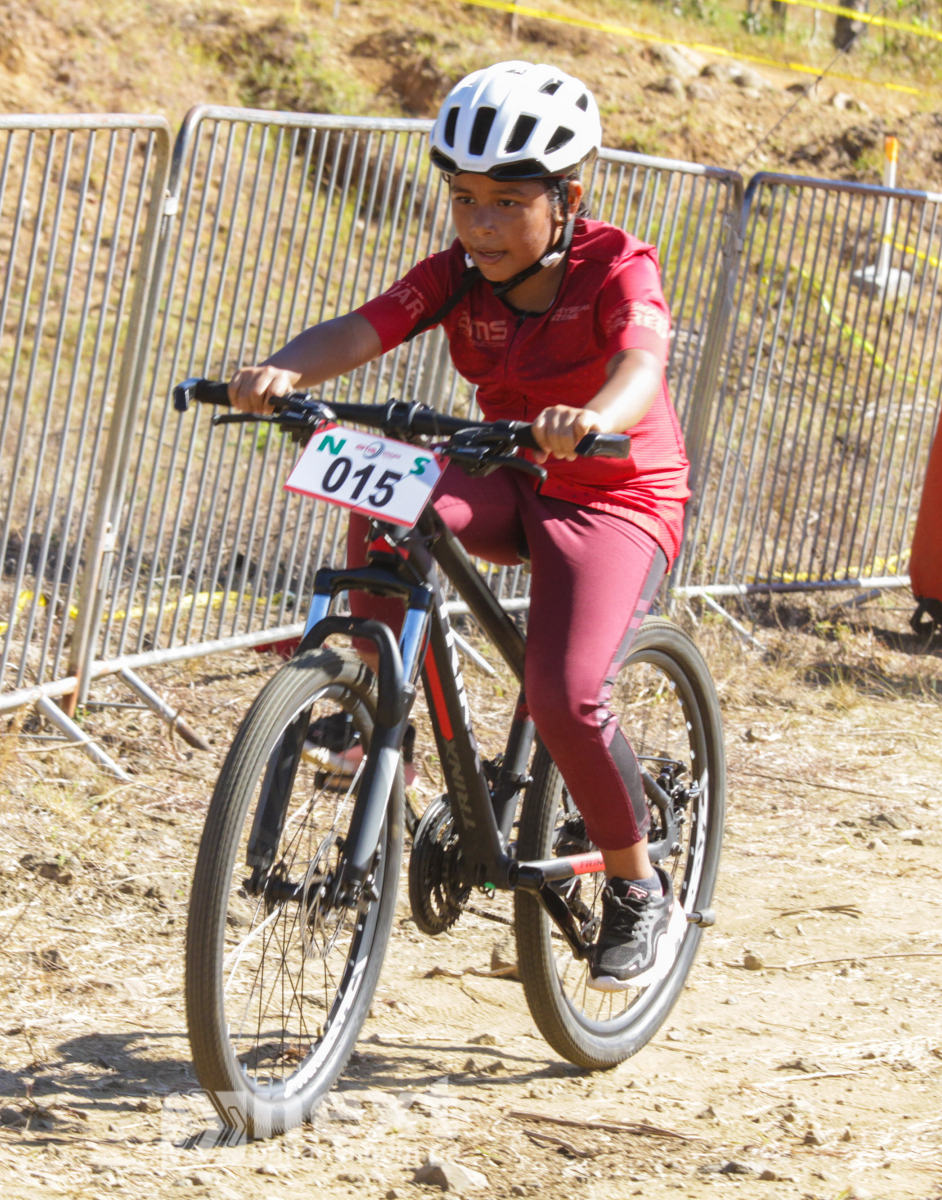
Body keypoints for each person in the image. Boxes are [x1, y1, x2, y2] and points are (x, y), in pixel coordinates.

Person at [226, 62, 690, 992]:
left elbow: (642, 362)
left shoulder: (617, 266)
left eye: (508, 203)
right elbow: (363, 327)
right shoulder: (455, 276)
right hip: (509, 473)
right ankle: (373, 698)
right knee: (383, 482)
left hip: (614, 493)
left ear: (568, 200)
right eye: (464, 199)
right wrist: (282, 371)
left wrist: (594, 416)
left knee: (563, 696)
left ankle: (638, 886)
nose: (480, 224)